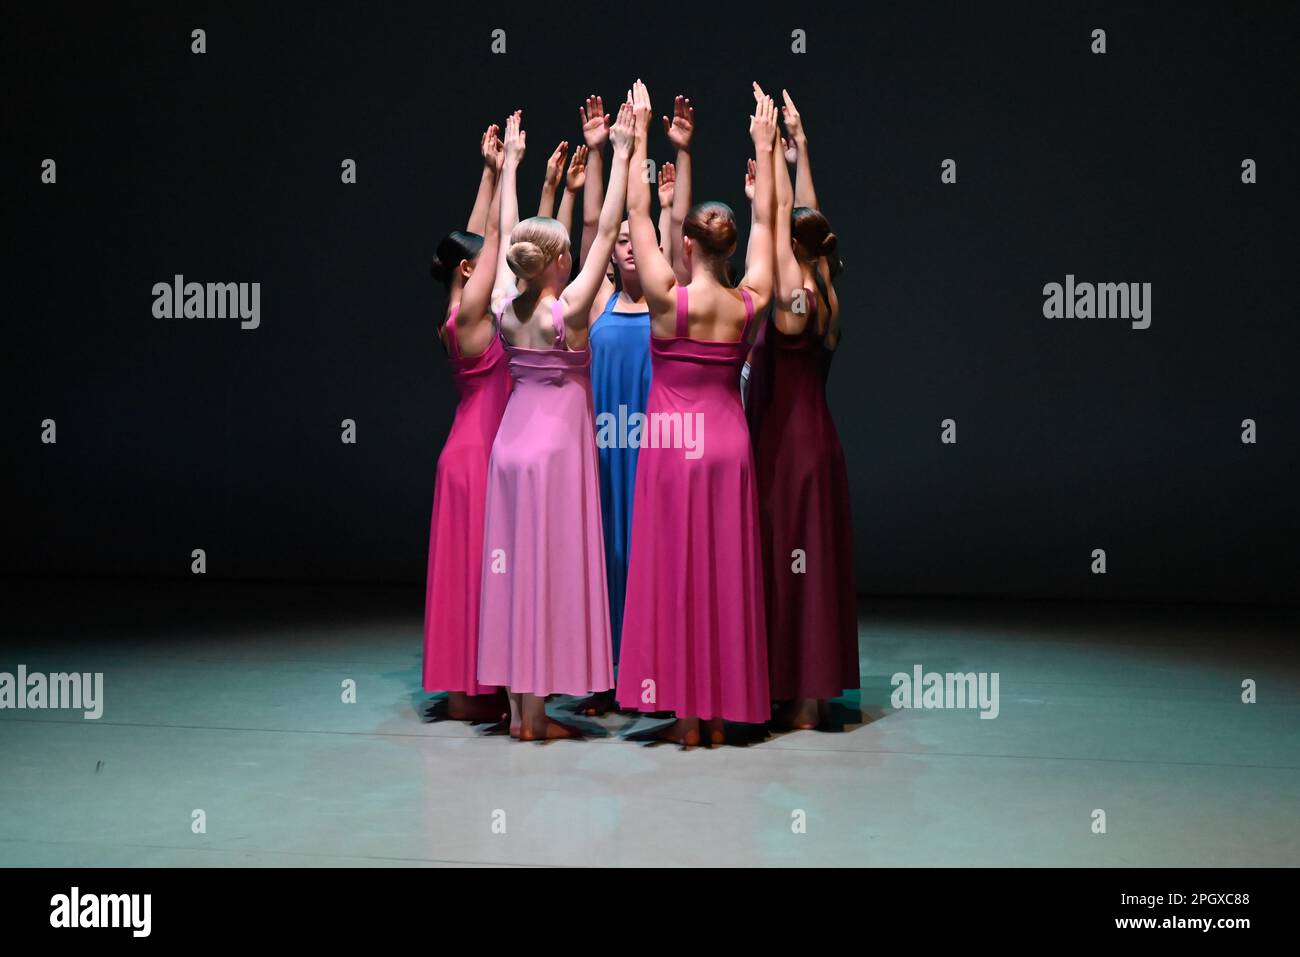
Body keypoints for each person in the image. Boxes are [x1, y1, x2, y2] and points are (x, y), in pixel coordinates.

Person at [615, 81, 777, 746]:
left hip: (672, 447)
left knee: (675, 574)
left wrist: (639, 138)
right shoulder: (749, 301)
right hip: (728, 446)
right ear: (726, 248)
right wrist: (765, 154)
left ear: (688, 246)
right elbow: (767, 224)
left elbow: (633, 210)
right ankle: (717, 713)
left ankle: (685, 716)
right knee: (722, 573)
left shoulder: (665, 298)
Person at [476, 104, 636, 740]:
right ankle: (536, 719)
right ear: (555, 262)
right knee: (540, 573)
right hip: (552, 454)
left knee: (512, 571)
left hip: (510, 445)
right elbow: (603, 238)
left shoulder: (502, 305)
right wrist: (623, 154)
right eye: (565, 254)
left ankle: (520, 712)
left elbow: (513, 229)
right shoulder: (561, 313)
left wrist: (511, 165)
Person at [752, 88, 858, 729]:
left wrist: (769, 157)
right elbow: (808, 214)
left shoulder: (795, 299)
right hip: (818, 443)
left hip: (788, 448)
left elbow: (790, 213)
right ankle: (809, 693)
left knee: (792, 562)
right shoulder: (824, 290)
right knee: (811, 564)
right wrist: (802, 147)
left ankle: (800, 697)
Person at [421, 125, 511, 723]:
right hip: (480, 454)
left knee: (462, 572)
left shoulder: (454, 310)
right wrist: (511, 174)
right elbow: (496, 239)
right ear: (473, 268)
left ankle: (461, 693)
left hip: (461, 448)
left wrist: (486, 173)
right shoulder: (476, 309)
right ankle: (478, 691)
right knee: (482, 569)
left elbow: (476, 240)